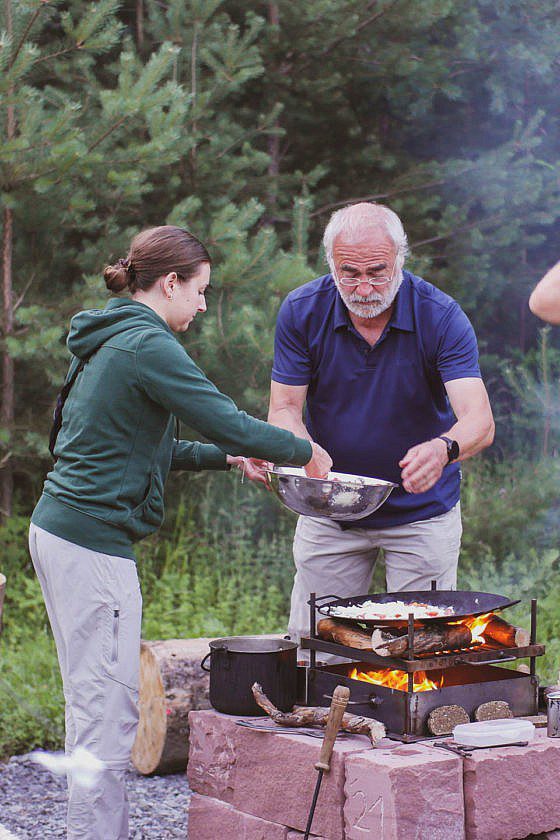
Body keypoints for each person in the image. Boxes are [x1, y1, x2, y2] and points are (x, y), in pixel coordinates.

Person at [29, 225, 331, 840]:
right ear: (170, 282)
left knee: (91, 704)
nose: (201, 304)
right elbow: (227, 419)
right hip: (90, 545)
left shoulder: (111, 337)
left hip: (61, 532)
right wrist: (304, 451)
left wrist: (225, 460)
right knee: (106, 716)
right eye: (200, 291)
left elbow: (141, 444)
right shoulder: (147, 344)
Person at [266, 202, 494, 648]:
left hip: (421, 514)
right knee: (316, 645)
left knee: (417, 649)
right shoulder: (301, 310)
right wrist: (303, 450)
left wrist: (443, 448)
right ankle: (325, 719)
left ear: (400, 260)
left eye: (377, 271)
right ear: (330, 263)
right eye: (349, 272)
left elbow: (479, 420)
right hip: (328, 510)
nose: (364, 287)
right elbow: (284, 408)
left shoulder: (441, 316)